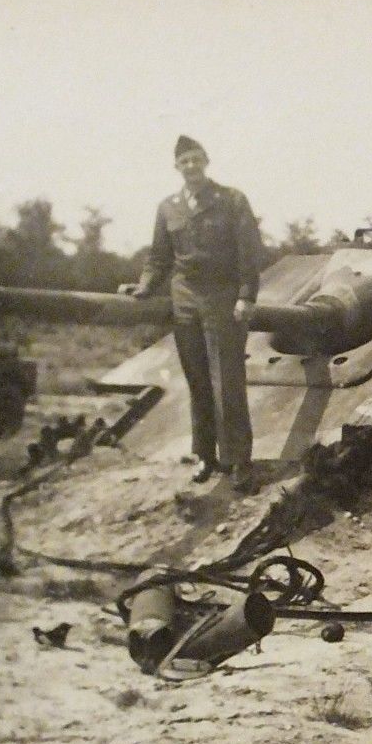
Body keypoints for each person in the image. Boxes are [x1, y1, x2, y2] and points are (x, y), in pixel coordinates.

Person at [127, 135, 264, 491]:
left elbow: (249, 252)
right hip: (184, 296)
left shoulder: (231, 200)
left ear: (207, 161)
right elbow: (159, 257)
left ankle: (238, 460)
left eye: (196, 159)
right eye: (184, 161)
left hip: (223, 295)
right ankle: (205, 455)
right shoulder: (168, 207)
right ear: (177, 167)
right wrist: (144, 286)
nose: (191, 167)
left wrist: (246, 295)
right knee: (197, 380)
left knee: (227, 381)